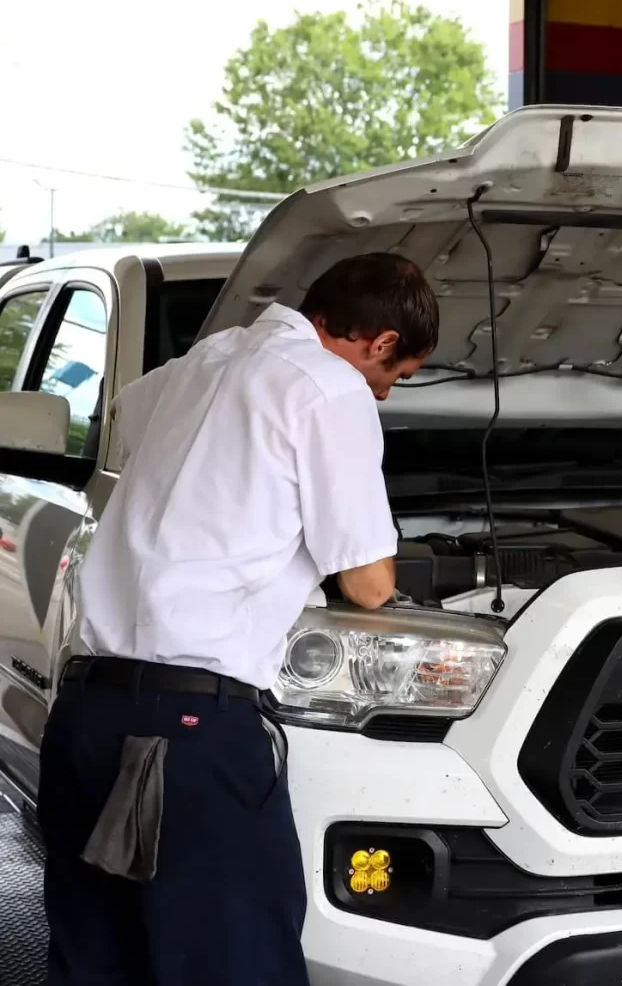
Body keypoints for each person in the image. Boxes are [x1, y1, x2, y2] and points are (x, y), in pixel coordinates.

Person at [36, 253, 439, 986]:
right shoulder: (330, 388)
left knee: (97, 959)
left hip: (86, 718)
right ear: (378, 343)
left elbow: (134, 438)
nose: (383, 393)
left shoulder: (194, 367)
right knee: (235, 961)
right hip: (192, 734)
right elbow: (371, 584)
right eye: (397, 374)